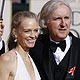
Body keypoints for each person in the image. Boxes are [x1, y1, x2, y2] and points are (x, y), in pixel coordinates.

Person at [30, 0, 80, 80]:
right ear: (45, 23)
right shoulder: (34, 45)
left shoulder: (78, 46)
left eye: (66, 18)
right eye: (57, 19)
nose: (63, 24)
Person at [0, 11, 41, 80]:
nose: (33, 36)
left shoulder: (31, 59)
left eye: (36, 30)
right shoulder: (7, 59)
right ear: (15, 32)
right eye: (27, 31)